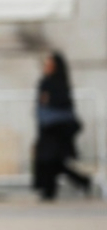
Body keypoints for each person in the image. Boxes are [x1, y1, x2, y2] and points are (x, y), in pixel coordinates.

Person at [34, 51, 92, 200]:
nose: (46, 67)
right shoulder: (45, 82)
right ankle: (77, 183)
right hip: (47, 129)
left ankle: (50, 190)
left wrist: (49, 101)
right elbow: (41, 104)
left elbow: (59, 103)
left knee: (52, 160)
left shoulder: (59, 83)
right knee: (51, 161)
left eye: (50, 64)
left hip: (58, 130)